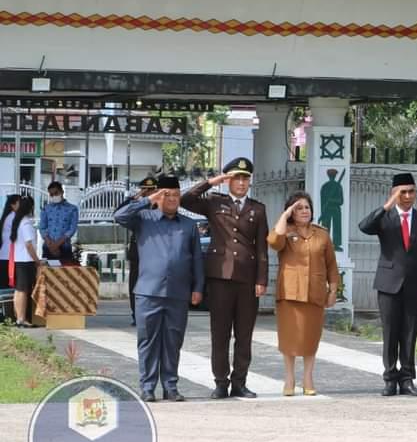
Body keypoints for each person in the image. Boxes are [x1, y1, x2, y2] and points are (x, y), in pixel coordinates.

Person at [181, 157, 269, 399]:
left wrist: (262, 280)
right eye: (236, 178)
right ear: (228, 180)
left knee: (244, 334)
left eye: (245, 178)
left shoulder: (257, 209)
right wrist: (212, 182)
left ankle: (239, 382)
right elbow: (185, 199)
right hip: (220, 277)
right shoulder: (214, 203)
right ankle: (221, 382)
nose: (241, 183)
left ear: (250, 182)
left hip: (247, 279)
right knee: (220, 333)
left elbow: (261, 248)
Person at [115, 177, 204, 402]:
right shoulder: (144, 219)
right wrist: (148, 200)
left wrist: (198, 287)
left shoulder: (188, 225)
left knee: (173, 341)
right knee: (148, 340)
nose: (172, 199)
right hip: (148, 291)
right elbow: (119, 215)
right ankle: (147, 386)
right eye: (167, 194)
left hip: (178, 292)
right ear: (158, 196)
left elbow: (197, 260)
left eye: (175, 195)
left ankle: (170, 386)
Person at [358, 172, 417, 397]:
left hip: (414, 285)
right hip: (388, 284)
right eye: (403, 192)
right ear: (394, 194)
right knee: (390, 333)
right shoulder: (385, 217)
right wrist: (386, 206)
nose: (408, 196)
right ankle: (390, 378)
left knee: (410, 334)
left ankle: (407, 378)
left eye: (411, 191)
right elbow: (364, 226)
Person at [269, 192, 340, 396]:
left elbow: (332, 266)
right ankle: (289, 378)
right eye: (298, 208)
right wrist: (285, 216)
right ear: (291, 211)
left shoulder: (322, 234)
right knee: (289, 337)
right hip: (289, 293)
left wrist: (333, 290)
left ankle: (308, 377)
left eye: (306, 207)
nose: (304, 211)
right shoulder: (285, 231)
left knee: (311, 337)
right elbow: (274, 242)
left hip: (315, 293)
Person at [120, 177, 158, 326]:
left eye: (150, 190)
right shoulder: (137, 205)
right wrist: (135, 198)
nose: (147, 193)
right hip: (138, 250)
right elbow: (119, 213)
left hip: (155, 251)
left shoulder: (160, 205)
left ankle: (152, 314)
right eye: (144, 190)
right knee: (135, 284)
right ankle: (136, 315)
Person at [8, 196, 43, 328]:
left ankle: (18, 318)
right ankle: (22, 319)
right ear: (31, 208)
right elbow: (29, 245)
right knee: (23, 290)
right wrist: (37, 261)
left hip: (18, 260)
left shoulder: (17, 221)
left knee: (18, 290)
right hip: (26, 261)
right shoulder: (26, 223)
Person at [39, 181, 79, 263]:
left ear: (62, 192)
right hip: (48, 247)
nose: (54, 196)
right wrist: (51, 245)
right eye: (51, 194)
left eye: (56, 193)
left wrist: (57, 244)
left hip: (64, 247)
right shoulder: (46, 209)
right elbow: (42, 227)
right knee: (47, 274)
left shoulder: (72, 209)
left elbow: (72, 229)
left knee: (64, 273)